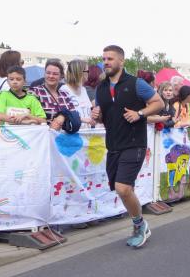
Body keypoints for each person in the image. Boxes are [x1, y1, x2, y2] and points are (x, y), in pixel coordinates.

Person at [91, 45, 164, 248]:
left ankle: (140, 225)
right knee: (124, 189)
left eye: (110, 58)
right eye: (104, 59)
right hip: (113, 145)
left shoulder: (136, 83)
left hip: (134, 143)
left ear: (121, 61)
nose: (106, 62)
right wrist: (96, 115)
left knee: (122, 188)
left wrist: (139, 113)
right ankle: (138, 222)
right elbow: (103, 116)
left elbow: (158, 103)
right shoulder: (101, 88)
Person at [29, 59, 77, 131]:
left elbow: (74, 116)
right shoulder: (34, 92)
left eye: (55, 74)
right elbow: (28, 117)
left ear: (61, 76)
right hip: (42, 135)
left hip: (64, 136)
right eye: (48, 73)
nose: (51, 76)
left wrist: (62, 116)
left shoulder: (65, 95)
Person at [61, 59, 95, 126]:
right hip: (73, 131)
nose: (88, 73)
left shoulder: (83, 89)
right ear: (79, 72)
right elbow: (64, 115)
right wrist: (83, 119)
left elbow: (88, 111)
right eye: (87, 71)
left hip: (87, 131)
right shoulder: (64, 90)